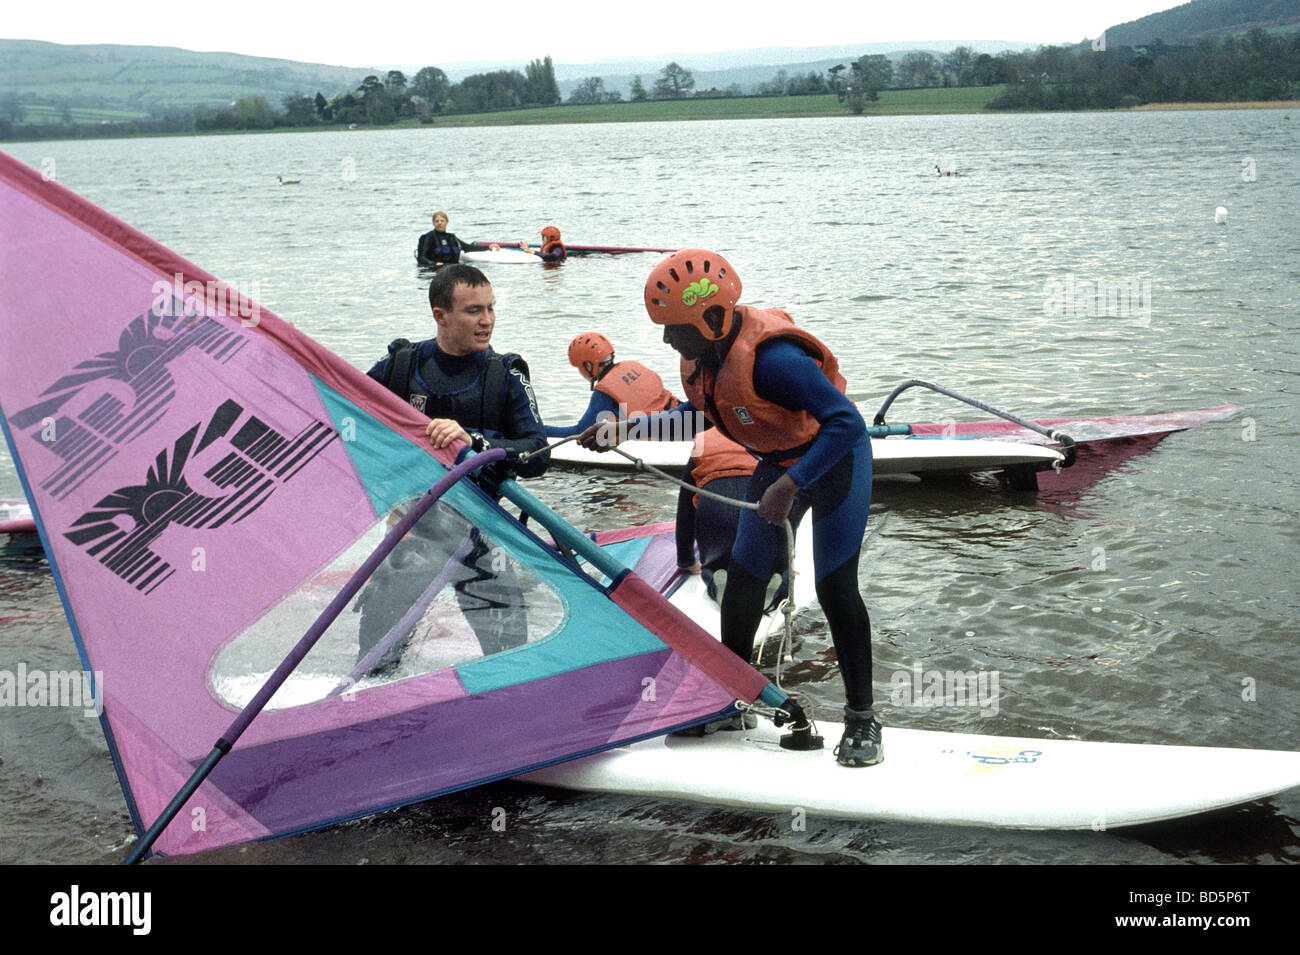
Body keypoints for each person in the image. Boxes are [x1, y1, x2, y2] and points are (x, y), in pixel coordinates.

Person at [580, 249, 880, 767]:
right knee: (743, 576)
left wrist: (790, 484)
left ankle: (862, 718)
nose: (668, 339)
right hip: (779, 463)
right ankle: (735, 698)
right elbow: (703, 420)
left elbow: (846, 423)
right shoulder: (704, 358)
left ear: (710, 319)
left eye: (675, 328)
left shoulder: (776, 361)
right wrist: (626, 429)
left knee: (835, 586)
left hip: (836, 464)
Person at [358, 263, 549, 673]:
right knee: (373, 669)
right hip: (415, 534)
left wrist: (476, 443)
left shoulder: (507, 374)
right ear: (440, 315)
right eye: (473, 311)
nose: (487, 321)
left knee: (511, 664)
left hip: (480, 533)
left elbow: (538, 453)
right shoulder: (400, 366)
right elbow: (347, 418)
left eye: (491, 309)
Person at [545, 332, 678, 438]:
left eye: (580, 367)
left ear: (588, 365)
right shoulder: (633, 365)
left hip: (659, 436)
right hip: (682, 419)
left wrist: (540, 429)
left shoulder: (603, 393)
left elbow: (580, 432)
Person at [675, 426, 756, 599]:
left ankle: (715, 575)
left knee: (716, 560)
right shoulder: (768, 433)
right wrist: (787, 557)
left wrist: (686, 560)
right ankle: (778, 576)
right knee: (764, 560)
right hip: (756, 504)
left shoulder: (704, 439)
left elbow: (685, 509)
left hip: (713, 506)